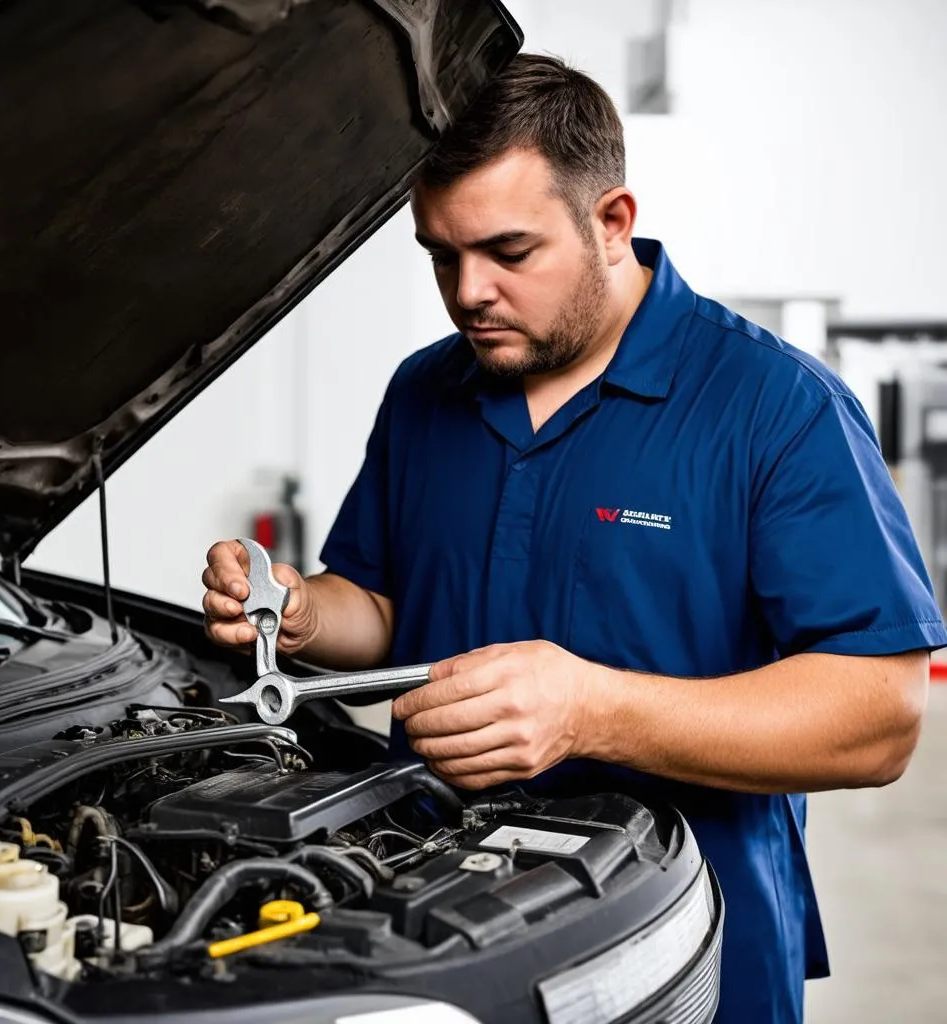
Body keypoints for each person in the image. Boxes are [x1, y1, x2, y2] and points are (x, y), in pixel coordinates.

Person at [201, 54, 946, 1023]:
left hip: (680, 957)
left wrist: (591, 710)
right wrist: (298, 611)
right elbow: (382, 607)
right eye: (440, 254)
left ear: (611, 223)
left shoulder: (773, 407)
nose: (469, 292)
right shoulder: (425, 393)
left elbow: (880, 713)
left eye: (508, 253)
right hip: (428, 945)